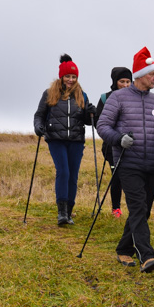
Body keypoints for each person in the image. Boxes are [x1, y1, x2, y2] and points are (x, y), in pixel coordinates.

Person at [96, 47, 154, 273]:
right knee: (139, 208)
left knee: (143, 210)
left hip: (152, 164)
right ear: (141, 74)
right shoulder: (118, 98)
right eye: (153, 74)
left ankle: (123, 248)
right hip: (127, 163)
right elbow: (103, 126)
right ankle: (147, 256)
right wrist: (118, 139)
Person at [33, 54, 95, 226]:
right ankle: (61, 212)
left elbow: (88, 121)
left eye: (74, 77)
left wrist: (92, 113)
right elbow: (39, 115)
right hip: (55, 138)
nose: (70, 79)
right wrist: (38, 127)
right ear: (61, 76)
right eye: (68, 76)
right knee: (64, 172)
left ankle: (68, 211)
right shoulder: (49, 93)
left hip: (76, 140)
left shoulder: (82, 95)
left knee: (73, 176)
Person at [94, 66, 133, 218]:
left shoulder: (135, 96)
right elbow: (99, 121)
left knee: (130, 177)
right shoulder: (105, 98)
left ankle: (133, 208)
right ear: (115, 82)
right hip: (111, 146)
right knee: (116, 176)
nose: (125, 85)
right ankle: (116, 208)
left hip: (131, 145)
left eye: (128, 81)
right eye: (122, 81)